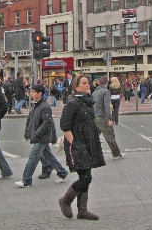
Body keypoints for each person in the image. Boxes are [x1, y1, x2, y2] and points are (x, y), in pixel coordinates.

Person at [59, 74, 105, 220]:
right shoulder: (72, 103)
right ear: (76, 86)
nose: (87, 85)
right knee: (85, 177)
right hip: (77, 144)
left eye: (88, 83)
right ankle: (65, 200)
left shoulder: (87, 101)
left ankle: (82, 210)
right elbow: (65, 126)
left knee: (86, 175)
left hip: (88, 143)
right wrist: (74, 143)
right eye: (84, 83)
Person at [15, 84, 69, 188]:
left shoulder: (44, 106)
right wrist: (27, 133)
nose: (31, 94)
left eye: (33, 92)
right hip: (37, 136)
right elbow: (30, 121)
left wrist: (36, 134)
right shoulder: (35, 105)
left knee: (33, 158)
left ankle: (26, 180)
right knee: (49, 157)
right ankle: (62, 172)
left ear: (40, 94)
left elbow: (47, 123)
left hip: (42, 137)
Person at [93, 76, 126, 159]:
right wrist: (110, 119)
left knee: (94, 136)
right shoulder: (105, 92)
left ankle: (90, 153)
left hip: (96, 117)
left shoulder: (95, 92)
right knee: (110, 137)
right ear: (107, 83)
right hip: (103, 117)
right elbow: (107, 106)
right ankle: (116, 154)